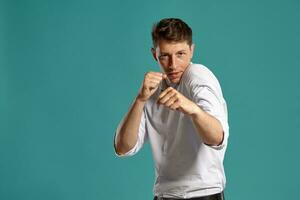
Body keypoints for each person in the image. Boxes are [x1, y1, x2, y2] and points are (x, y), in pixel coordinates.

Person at [113, 18, 229, 200]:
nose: (173, 65)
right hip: (164, 195)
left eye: (181, 54)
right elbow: (122, 148)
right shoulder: (152, 89)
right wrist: (140, 99)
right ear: (154, 55)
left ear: (192, 51)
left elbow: (217, 137)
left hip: (203, 194)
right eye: (165, 56)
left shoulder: (198, 76)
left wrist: (193, 109)